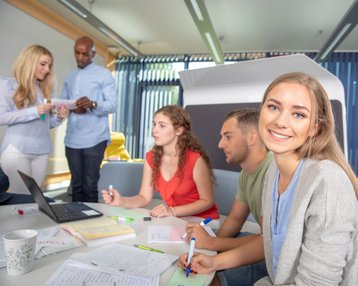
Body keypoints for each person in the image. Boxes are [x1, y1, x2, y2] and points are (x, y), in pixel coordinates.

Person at [179, 72, 358, 285]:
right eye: (273, 107)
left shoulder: (327, 182)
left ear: (314, 128)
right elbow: (269, 242)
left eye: (298, 114)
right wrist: (214, 262)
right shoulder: (275, 171)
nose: (280, 121)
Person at [184, 108, 273, 285]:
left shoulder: (273, 173)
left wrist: (211, 244)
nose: (220, 144)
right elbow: (234, 219)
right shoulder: (246, 173)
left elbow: (267, 242)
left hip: (275, 255)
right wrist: (210, 247)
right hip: (264, 243)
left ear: (252, 137)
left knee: (208, 280)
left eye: (228, 136)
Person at [102, 105, 220, 226]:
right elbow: (144, 197)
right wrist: (121, 201)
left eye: (162, 125)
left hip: (203, 220)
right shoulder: (151, 157)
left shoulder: (196, 159)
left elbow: (207, 201)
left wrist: (172, 211)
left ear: (179, 130)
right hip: (174, 218)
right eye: (154, 124)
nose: (154, 130)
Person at [0, 45, 68, 194]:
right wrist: (34, 111)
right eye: (43, 64)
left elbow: (44, 123)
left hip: (41, 152)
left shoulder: (44, 90)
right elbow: (2, 118)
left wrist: (59, 118)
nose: (47, 69)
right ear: (29, 62)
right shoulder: (7, 84)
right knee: (19, 200)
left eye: (49, 66)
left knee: (34, 200)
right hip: (17, 150)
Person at [61, 36, 118, 202]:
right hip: (72, 139)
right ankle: (75, 222)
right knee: (76, 186)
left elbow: (113, 105)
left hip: (95, 138)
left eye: (84, 54)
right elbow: (63, 103)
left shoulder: (104, 74)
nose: (80, 57)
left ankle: (91, 224)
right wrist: (73, 107)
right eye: (77, 53)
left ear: (92, 53)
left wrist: (92, 104)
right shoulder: (69, 77)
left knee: (89, 184)